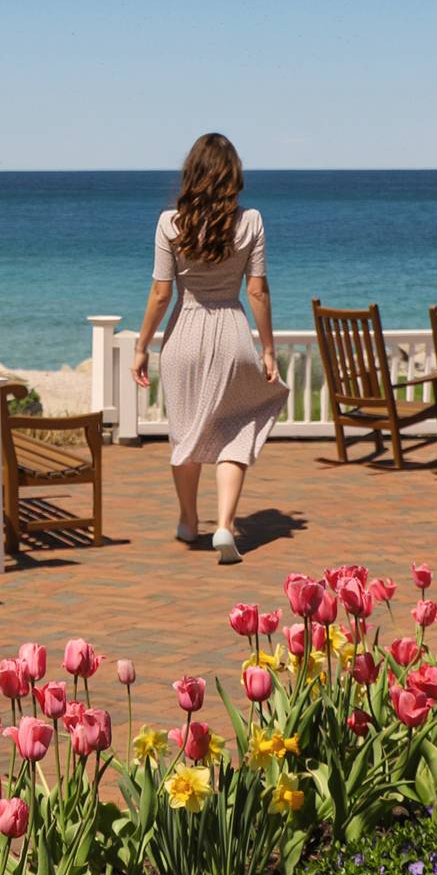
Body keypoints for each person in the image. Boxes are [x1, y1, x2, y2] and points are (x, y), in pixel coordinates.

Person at [132, 133, 288, 564]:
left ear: (192, 173)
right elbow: (257, 292)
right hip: (232, 333)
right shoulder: (251, 221)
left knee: (185, 432)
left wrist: (142, 346)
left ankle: (188, 521)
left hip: (183, 334)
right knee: (235, 429)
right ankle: (224, 525)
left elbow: (161, 294)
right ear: (232, 175)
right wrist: (268, 349)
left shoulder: (170, 223)